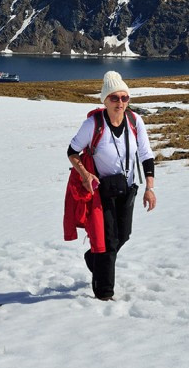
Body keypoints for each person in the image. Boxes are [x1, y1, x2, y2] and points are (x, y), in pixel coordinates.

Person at [66, 71, 157, 301]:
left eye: (124, 98)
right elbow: (72, 151)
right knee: (106, 241)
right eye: (114, 98)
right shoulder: (93, 124)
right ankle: (104, 293)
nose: (120, 103)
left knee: (122, 236)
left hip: (126, 190)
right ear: (105, 100)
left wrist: (149, 187)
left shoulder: (135, 122)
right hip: (101, 191)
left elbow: (146, 155)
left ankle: (93, 260)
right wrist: (85, 175)